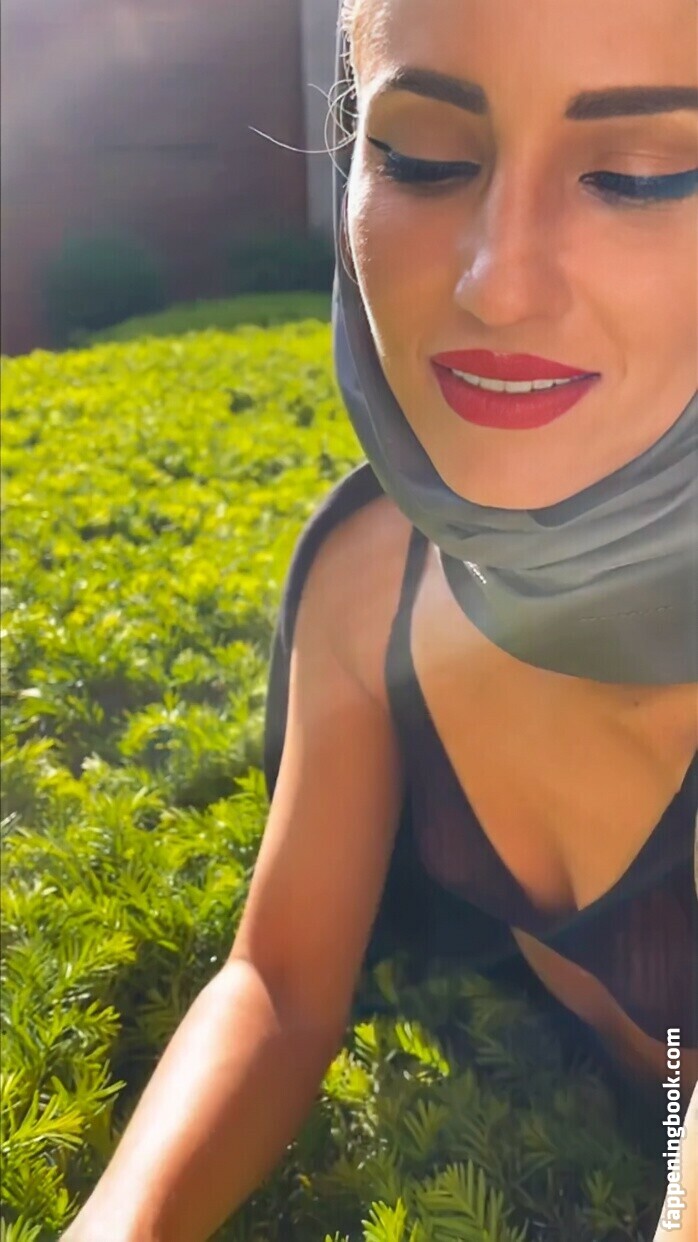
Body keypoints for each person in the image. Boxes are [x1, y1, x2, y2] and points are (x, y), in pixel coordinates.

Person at [63, 1, 697, 1239]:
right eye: (420, 156)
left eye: (634, 174)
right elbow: (278, 982)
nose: (496, 283)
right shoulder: (374, 578)